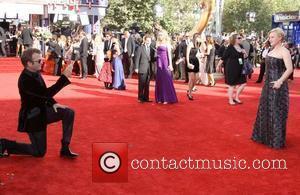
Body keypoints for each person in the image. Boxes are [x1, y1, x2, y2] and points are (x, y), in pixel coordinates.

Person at [0, 48, 78, 158]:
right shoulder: (25, 80)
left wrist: (53, 103)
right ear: (29, 63)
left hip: (42, 111)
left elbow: (42, 93)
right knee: (39, 152)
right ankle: (4, 144)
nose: (42, 62)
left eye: (41, 59)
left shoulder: (35, 72)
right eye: (39, 61)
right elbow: (45, 93)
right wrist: (64, 78)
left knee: (68, 112)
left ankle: (65, 148)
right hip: (32, 117)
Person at [251, 28, 293, 149]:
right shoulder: (271, 49)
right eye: (269, 37)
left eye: (272, 37)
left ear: (280, 37)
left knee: (276, 111)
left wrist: (280, 81)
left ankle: (276, 140)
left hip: (278, 85)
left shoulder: (284, 51)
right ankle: (263, 137)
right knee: (265, 109)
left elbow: (289, 69)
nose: (270, 39)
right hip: (267, 85)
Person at [217, 33, 247, 105]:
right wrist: (218, 65)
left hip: (240, 68)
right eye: (239, 38)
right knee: (232, 85)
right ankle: (230, 100)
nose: (240, 39)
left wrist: (244, 53)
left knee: (243, 83)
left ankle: (236, 97)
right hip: (231, 68)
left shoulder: (241, 46)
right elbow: (223, 58)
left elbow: (245, 57)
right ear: (234, 39)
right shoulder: (230, 47)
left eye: (240, 38)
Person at [155, 31, 178, 104]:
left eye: (161, 35)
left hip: (165, 62)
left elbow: (169, 55)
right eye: (159, 35)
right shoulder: (157, 43)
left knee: (166, 79)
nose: (160, 36)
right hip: (159, 62)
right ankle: (160, 98)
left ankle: (167, 98)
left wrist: (170, 64)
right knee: (160, 80)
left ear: (164, 36)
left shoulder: (167, 44)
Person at [134, 34, 154, 103]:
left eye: (150, 41)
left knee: (147, 84)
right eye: (147, 40)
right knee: (141, 84)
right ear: (144, 40)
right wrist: (136, 67)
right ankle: (140, 98)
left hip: (149, 69)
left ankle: (146, 98)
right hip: (142, 68)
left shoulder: (151, 49)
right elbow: (137, 58)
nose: (148, 42)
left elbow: (152, 59)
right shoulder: (140, 48)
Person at [186, 33, 201, 100]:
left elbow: (198, 53)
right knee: (191, 79)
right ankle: (190, 93)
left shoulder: (198, 44)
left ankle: (189, 90)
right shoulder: (190, 44)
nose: (199, 38)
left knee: (197, 78)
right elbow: (187, 54)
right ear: (195, 37)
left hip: (196, 61)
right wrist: (188, 63)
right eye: (198, 37)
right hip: (190, 61)